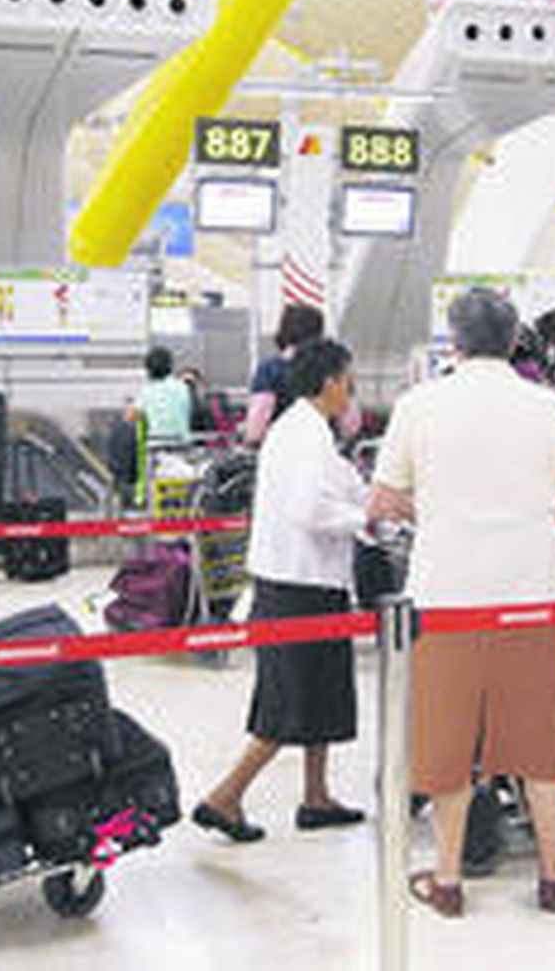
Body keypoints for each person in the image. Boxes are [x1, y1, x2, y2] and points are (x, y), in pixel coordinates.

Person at [369, 288, 555, 917]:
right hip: (535, 593)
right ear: (516, 337)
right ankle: (550, 874)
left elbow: (383, 500)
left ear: (454, 339)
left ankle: (446, 879)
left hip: (447, 595)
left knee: (446, 741)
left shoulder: (419, 405)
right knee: (541, 737)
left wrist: (438, 509)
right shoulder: (548, 408)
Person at [193, 340, 367, 843]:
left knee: (324, 695)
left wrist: (374, 505)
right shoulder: (303, 436)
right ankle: (225, 798)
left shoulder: (308, 429)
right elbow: (311, 510)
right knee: (286, 703)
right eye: (348, 379)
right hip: (297, 585)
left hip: (310, 580)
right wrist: (367, 520)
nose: (351, 389)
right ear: (331, 382)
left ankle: (316, 796)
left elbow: (342, 489)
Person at [243, 302, 325, 447]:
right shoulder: (332, 370)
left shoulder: (269, 369)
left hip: (281, 451)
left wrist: (249, 441)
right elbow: (351, 424)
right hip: (322, 450)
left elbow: (258, 423)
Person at [129, 345, 193, 445]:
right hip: (181, 445)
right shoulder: (183, 388)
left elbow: (131, 417)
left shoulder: (147, 391)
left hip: (156, 446)